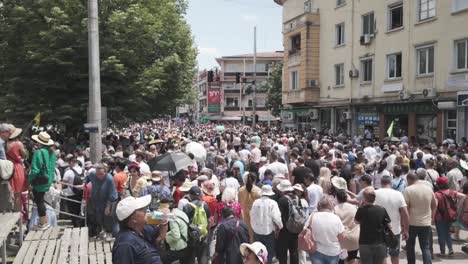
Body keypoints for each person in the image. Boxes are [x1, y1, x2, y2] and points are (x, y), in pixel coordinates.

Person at [112, 195, 169, 264]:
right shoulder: (125, 245)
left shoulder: (142, 229)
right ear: (133, 219)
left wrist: (164, 222)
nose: (146, 210)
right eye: (142, 209)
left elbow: (161, 235)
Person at [403, 172, 436, 264]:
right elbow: (434, 204)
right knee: (425, 247)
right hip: (426, 223)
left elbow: (405, 208)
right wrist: (432, 217)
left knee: (410, 247)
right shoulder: (428, 189)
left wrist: (403, 225)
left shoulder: (408, 190)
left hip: (411, 223)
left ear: (409, 179)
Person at [375, 175, 409, 264]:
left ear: (381, 183)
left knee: (382, 256)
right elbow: (405, 213)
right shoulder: (398, 194)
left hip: (379, 231)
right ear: (391, 183)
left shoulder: (375, 193)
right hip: (395, 230)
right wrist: (406, 230)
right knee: (395, 255)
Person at [29, 132, 57, 230]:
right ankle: (44, 222)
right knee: (41, 200)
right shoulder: (52, 152)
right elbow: (53, 168)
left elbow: (35, 169)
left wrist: (30, 181)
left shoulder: (38, 152)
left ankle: (43, 224)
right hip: (47, 180)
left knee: (39, 201)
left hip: (39, 181)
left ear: (38, 142)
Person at [355, 188, 390, 264]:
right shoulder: (382, 209)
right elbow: (389, 226)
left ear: (364, 198)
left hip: (364, 243)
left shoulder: (361, 210)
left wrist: (360, 207)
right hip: (380, 242)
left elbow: (356, 221)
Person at [250, 185, 283, 264]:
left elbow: (252, 216)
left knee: (258, 253)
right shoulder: (273, 203)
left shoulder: (255, 202)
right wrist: (280, 226)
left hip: (257, 231)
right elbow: (276, 217)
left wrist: (254, 227)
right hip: (268, 231)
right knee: (269, 252)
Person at [433, 176, 465, 257]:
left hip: (439, 217)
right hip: (450, 216)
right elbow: (464, 196)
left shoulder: (436, 194)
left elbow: (435, 206)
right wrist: (458, 205)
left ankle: (442, 252)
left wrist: (432, 217)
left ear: (438, 185)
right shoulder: (452, 192)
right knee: (447, 233)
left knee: (441, 234)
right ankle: (450, 249)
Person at [307, 196, 345, 264]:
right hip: (333, 251)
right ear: (331, 205)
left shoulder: (313, 216)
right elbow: (341, 237)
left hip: (316, 250)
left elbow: (306, 231)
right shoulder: (336, 218)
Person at [86, 164, 118, 241]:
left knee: (108, 218)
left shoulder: (109, 179)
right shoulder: (92, 175)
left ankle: (111, 235)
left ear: (105, 172)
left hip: (108, 201)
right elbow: (87, 178)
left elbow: (112, 195)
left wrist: (108, 207)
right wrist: (84, 184)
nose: (99, 176)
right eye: (97, 174)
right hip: (96, 201)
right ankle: (102, 232)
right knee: (98, 218)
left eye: (101, 174)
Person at [183, 186, 210, 264]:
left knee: (190, 257)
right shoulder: (205, 205)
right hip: (203, 234)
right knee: (203, 256)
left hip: (191, 235)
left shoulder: (187, 206)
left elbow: (185, 222)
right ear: (199, 195)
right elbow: (209, 220)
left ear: (190, 195)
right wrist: (207, 232)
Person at [162, 198, 193, 264]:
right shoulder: (180, 212)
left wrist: (165, 237)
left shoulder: (172, 217)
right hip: (186, 244)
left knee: (162, 259)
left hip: (178, 247)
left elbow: (176, 236)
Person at [277, 179, 300, 264]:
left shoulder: (282, 200)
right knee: (294, 252)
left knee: (283, 252)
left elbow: (279, 216)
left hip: (284, 230)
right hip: (295, 228)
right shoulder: (297, 198)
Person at [333, 190, 359, 264]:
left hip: (341, 240)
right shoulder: (354, 207)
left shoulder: (334, 209)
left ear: (337, 198)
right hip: (354, 238)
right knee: (352, 259)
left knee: (340, 260)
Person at [6, 126, 26, 212]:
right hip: (17, 168)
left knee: (8, 192)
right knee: (18, 193)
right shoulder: (18, 143)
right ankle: (18, 216)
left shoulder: (4, 144)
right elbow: (25, 155)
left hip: (7, 168)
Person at [238, 172, 261, 242]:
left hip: (243, 215)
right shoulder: (258, 190)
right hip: (255, 216)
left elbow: (239, 203)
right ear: (255, 180)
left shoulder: (241, 190)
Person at [62, 156, 84, 227]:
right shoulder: (84, 171)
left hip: (71, 195)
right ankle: (81, 225)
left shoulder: (68, 172)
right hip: (82, 194)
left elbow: (63, 184)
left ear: (71, 162)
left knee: (73, 212)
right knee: (81, 211)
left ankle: (76, 226)